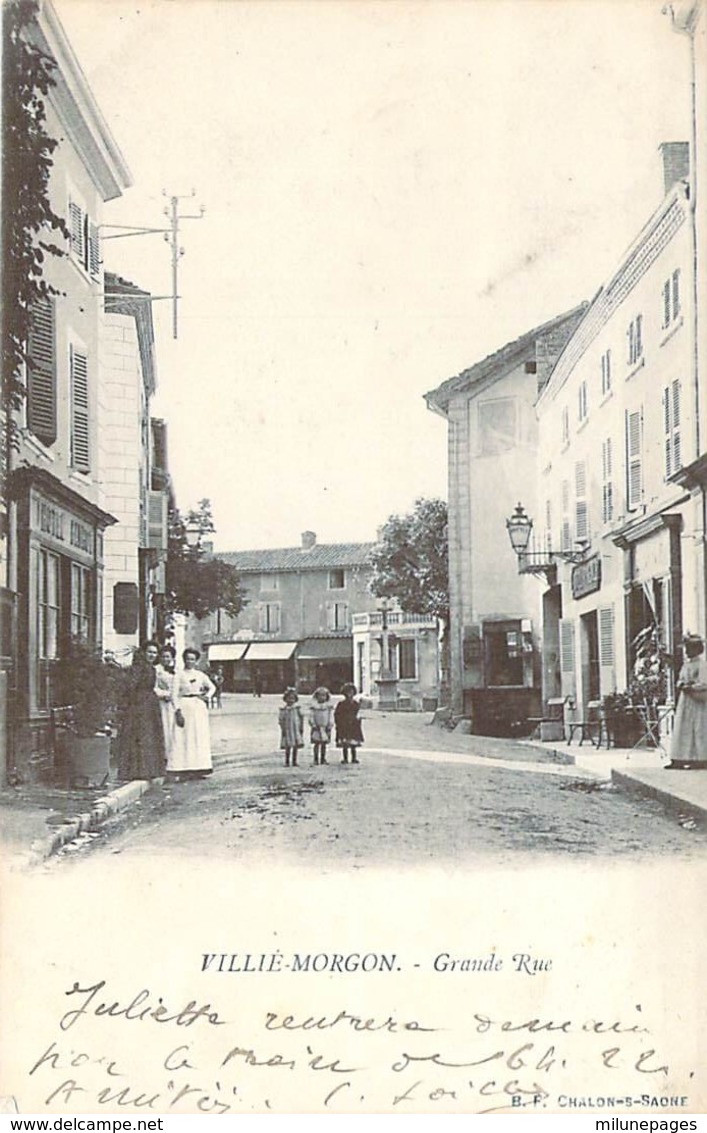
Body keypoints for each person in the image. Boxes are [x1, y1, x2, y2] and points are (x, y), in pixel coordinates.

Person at [116, 640, 166, 781]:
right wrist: (133, 703)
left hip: (149, 704)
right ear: (143, 652)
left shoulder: (151, 668)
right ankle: (136, 770)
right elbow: (131, 686)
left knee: (149, 735)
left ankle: (148, 769)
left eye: (155, 653)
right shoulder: (138, 667)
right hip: (139, 705)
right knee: (140, 735)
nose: (152, 655)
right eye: (150, 652)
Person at [171, 648, 216, 779]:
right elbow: (174, 694)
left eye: (192, 659)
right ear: (183, 659)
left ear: (196, 661)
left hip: (198, 706)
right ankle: (182, 767)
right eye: (187, 659)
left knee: (198, 735)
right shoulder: (178, 675)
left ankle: (199, 767)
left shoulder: (200, 675)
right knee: (183, 736)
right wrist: (177, 710)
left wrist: (206, 696)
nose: (189, 661)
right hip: (184, 704)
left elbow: (212, 687)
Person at [666, 634, 707, 770]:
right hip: (685, 701)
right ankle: (680, 758)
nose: (687, 651)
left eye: (690, 648)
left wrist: (691, 687)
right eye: (687, 648)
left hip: (697, 701)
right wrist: (681, 684)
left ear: (697, 649)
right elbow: (680, 679)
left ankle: (699, 758)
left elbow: (704, 683)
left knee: (698, 728)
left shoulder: (702, 665)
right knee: (683, 728)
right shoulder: (686, 665)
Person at [154, 644, 178, 771]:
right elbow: (153, 687)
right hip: (162, 704)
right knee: (164, 729)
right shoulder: (156, 670)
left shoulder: (175, 670)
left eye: (168, 656)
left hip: (174, 704)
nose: (166, 659)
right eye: (163, 656)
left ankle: (173, 759)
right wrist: (164, 694)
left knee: (174, 730)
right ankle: (162, 759)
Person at [335, 682, 364, 765]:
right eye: (348, 692)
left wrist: (358, 720)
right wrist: (339, 724)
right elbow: (337, 715)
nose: (350, 694)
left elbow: (358, 713)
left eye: (351, 692)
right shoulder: (341, 704)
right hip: (344, 725)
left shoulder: (356, 704)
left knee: (353, 743)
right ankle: (345, 758)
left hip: (353, 725)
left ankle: (354, 758)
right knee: (345, 743)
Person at [278, 687, 304, 767]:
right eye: (289, 698)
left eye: (292, 698)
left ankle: (294, 761)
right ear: (285, 699)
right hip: (288, 729)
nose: (291, 700)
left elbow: (301, 717)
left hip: (295, 729)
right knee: (288, 746)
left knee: (295, 745)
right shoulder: (284, 709)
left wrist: (301, 727)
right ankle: (287, 761)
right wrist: (283, 728)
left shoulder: (297, 708)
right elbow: (281, 720)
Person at [309, 686, 334, 765]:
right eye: (320, 695)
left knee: (324, 744)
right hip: (316, 727)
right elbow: (311, 716)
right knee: (316, 743)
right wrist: (312, 724)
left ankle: (323, 758)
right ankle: (315, 759)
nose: (322, 697)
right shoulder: (314, 707)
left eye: (324, 695)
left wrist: (330, 724)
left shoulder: (328, 707)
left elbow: (330, 716)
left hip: (325, 726)